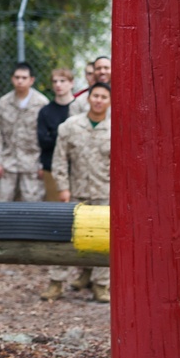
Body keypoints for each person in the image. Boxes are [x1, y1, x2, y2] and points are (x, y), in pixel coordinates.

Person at [42, 82, 112, 303]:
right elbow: (60, 159)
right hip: (76, 193)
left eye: (104, 97)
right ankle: (56, 283)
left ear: (109, 102)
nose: (99, 100)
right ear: (88, 99)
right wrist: (62, 187)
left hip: (104, 192)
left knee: (105, 239)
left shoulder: (116, 127)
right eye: (96, 96)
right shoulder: (70, 126)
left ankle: (101, 285)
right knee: (65, 237)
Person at [0, 63, 49, 202]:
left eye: (24, 77)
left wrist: (43, 164)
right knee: (3, 201)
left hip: (32, 162)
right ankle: (1, 225)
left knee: (32, 202)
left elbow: (45, 137)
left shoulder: (42, 104)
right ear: (12, 79)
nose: (20, 81)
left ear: (31, 80)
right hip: (8, 161)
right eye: (17, 77)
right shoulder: (2, 104)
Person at [37, 68, 87, 202]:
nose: (58, 84)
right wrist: (64, 136)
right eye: (55, 81)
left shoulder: (82, 109)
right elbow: (43, 141)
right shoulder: (45, 111)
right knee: (55, 209)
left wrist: (55, 134)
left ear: (72, 83)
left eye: (62, 81)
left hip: (79, 167)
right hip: (53, 167)